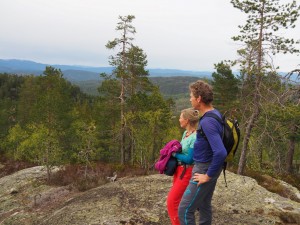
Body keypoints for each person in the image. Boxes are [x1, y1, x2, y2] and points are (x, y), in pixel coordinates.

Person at [178, 80, 227, 225]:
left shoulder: (207, 122)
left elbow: (220, 152)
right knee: (204, 205)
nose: (190, 99)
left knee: (185, 210)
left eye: (191, 96)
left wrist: (207, 176)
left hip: (205, 168)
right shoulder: (214, 113)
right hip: (210, 165)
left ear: (199, 98)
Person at [167, 108, 199, 225]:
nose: (179, 119)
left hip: (187, 172)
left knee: (172, 201)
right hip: (179, 171)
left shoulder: (195, 137)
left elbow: (190, 159)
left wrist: (174, 154)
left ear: (187, 120)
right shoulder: (186, 133)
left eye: (180, 117)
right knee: (179, 202)